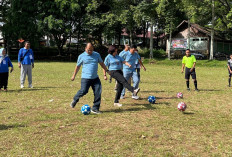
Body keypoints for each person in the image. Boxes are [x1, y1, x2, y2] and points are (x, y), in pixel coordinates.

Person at [70, 43, 110, 114]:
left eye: (91, 50)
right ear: (85, 48)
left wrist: (106, 70)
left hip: (95, 78)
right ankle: (75, 99)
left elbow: (101, 63)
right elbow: (78, 66)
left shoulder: (97, 55)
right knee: (84, 91)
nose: (90, 52)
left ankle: (95, 108)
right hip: (85, 78)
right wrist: (74, 75)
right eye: (88, 50)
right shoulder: (81, 56)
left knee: (98, 92)